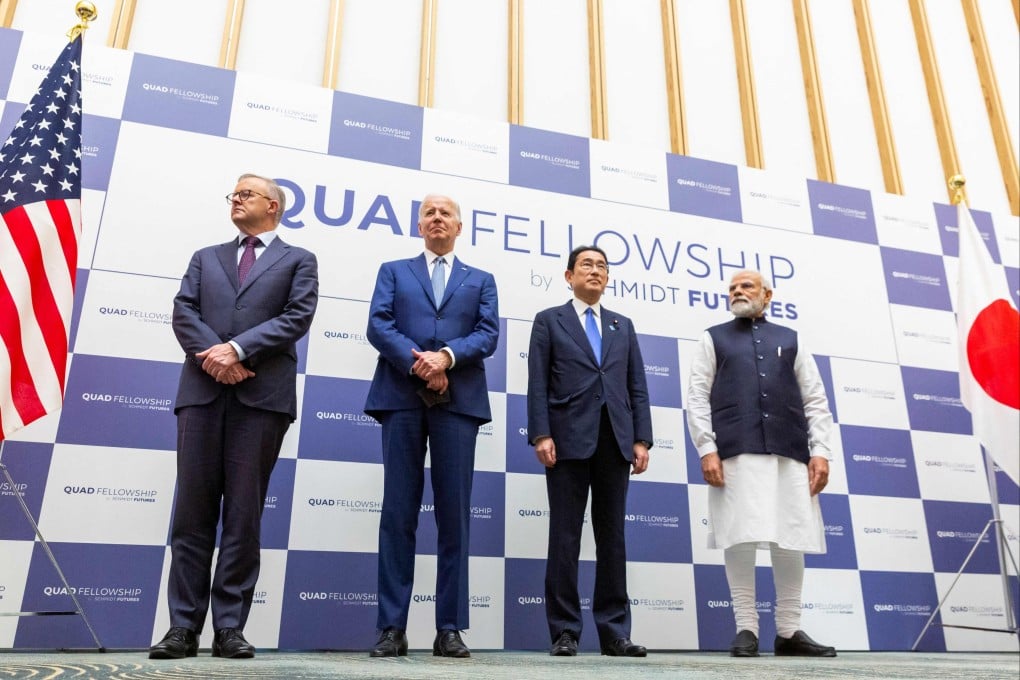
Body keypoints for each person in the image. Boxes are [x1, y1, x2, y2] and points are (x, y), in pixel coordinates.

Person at [149, 174, 318, 660]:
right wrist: (215, 357)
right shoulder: (206, 256)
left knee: (243, 516)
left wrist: (239, 349)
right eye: (234, 194)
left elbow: (296, 317)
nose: (236, 199)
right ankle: (182, 627)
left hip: (261, 399)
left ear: (273, 205)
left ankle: (229, 627)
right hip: (202, 392)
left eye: (246, 194)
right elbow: (184, 311)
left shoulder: (300, 260)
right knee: (192, 514)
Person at [364, 193, 499, 658]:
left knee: (454, 517)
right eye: (429, 213)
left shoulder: (481, 279)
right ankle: (391, 628)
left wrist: (447, 357)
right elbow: (378, 325)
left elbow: (488, 333)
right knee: (397, 513)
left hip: (458, 401)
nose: (437, 218)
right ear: (419, 225)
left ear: (460, 227)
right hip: (401, 397)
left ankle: (449, 628)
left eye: (446, 213)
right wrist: (419, 361)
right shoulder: (393, 271)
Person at [686, 270, 836, 658]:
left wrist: (821, 451)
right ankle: (746, 628)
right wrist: (706, 448)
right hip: (735, 451)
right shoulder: (712, 337)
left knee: (791, 537)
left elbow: (816, 400)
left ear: (767, 295)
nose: (737, 291)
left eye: (746, 286)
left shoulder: (792, 339)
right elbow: (697, 396)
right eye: (732, 288)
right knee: (740, 536)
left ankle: (788, 631)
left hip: (790, 453)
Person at [527, 245, 652, 657]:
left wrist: (641, 439)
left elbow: (637, 386)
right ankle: (565, 630)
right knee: (565, 536)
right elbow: (538, 384)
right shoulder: (549, 321)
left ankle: (615, 632)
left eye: (602, 266)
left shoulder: (623, 325)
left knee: (612, 537)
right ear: (569, 276)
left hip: (615, 441)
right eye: (587, 265)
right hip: (565, 440)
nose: (595, 271)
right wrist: (541, 434)